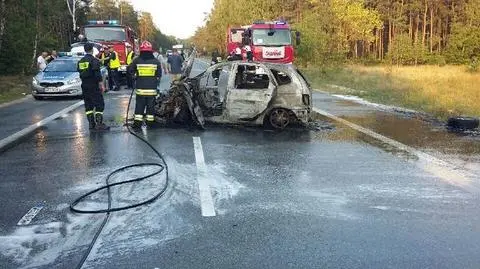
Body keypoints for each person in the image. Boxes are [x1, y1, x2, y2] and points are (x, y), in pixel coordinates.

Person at [130, 41, 162, 129]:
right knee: (150, 108)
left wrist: (135, 76)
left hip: (140, 90)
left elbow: (131, 72)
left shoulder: (136, 60)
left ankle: (137, 125)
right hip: (151, 90)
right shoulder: (156, 61)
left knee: (139, 107)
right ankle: (150, 124)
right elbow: (159, 76)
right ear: (151, 51)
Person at [77, 43, 109, 131]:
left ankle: (91, 124)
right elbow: (97, 74)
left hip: (84, 85)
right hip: (93, 85)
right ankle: (99, 124)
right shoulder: (94, 60)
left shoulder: (81, 61)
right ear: (92, 50)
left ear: (85, 50)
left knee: (88, 105)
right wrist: (101, 85)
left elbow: (79, 72)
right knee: (99, 104)